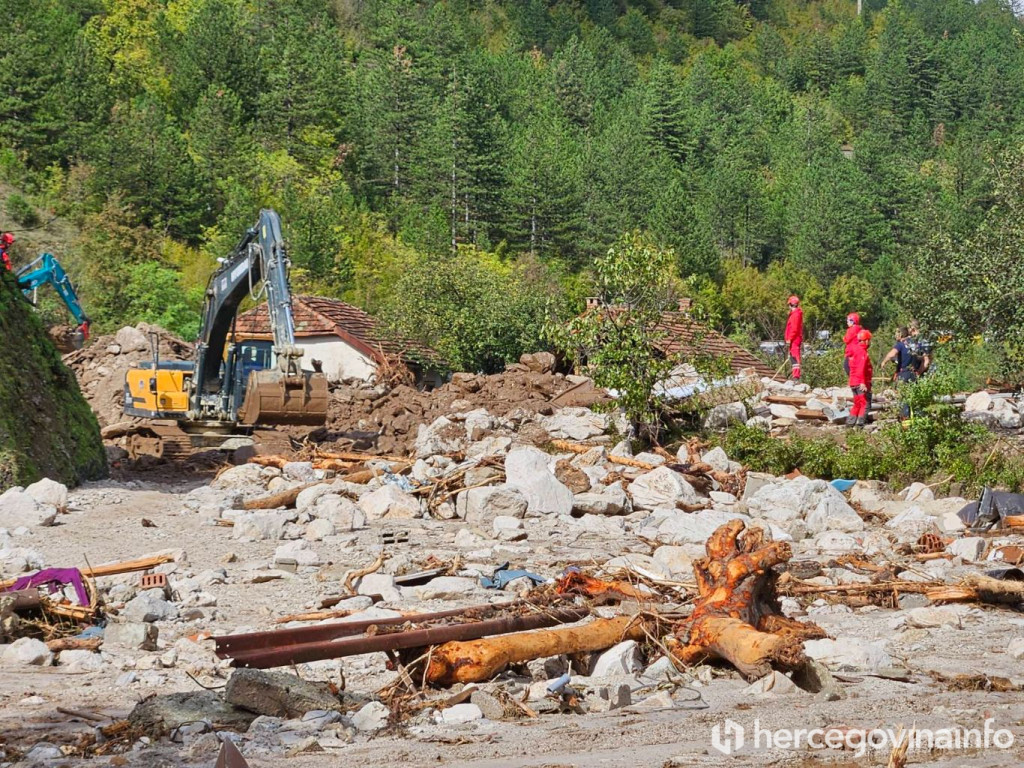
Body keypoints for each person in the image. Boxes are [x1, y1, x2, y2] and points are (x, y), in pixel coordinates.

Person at [847, 329, 872, 427]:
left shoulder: (855, 350)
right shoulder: (862, 352)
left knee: (857, 404)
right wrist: (862, 382)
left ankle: (850, 423)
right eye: (869, 340)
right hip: (860, 382)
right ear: (866, 340)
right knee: (864, 404)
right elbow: (861, 368)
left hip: (853, 382)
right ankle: (860, 425)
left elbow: (850, 367)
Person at [784, 295, 803, 380]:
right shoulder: (795, 314)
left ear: (791, 305)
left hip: (794, 340)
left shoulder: (795, 315)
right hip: (793, 339)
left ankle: (796, 376)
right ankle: (795, 375)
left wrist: (789, 339)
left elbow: (794, 329)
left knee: (795, 357)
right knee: (793, 357)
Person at [843, 312, 862, 376]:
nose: (847, 322)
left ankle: (854, 381)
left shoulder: (852, 329)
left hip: (851, 351)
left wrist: (844, 337)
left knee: (847, 366)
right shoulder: (859, 329)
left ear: (853, 321)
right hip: (857, 351)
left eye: (848, 320)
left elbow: (846, 339)